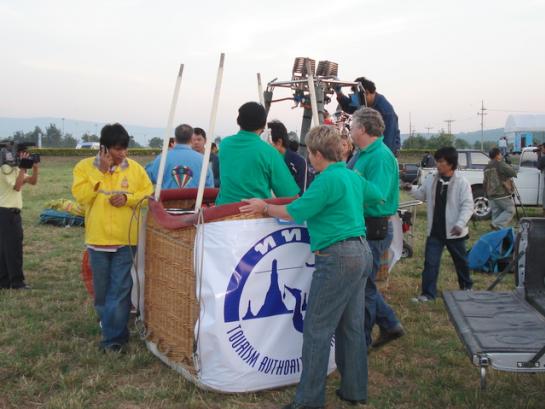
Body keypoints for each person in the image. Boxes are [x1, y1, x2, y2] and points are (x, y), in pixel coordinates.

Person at [240, 125, 383, 409]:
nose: (309, 158)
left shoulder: (325, 181)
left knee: (317, 329)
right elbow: (377, 194)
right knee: (351, 326)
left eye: (310, 153)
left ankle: (308, 401)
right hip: (361, 251)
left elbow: (293, 212)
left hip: (337, 257)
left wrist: (264, 207)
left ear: (317, 154)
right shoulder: (350, 176)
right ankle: (354, 390)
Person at [72, 123, 153, 352]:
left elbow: (148, 194)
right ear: (104, 148)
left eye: (125, 148)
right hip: (97, 240)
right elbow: (81, 197)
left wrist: (127, 199)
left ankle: (113, 339)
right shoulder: (84, 168)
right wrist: (100, 172)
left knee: (120, 289)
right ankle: (110, 323)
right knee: (102, 291)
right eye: (117, 149)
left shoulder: (135, 169)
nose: (122, 153)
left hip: (126, 239)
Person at [350, 107, 404, 349]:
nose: (350, 130)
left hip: (373, 228)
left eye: (352, 126)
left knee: (363, 287)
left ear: (362, 129)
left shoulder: (380, 157)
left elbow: (378, 194)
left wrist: (348, 184)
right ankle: (389, 323)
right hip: (362, 226)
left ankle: (361, 344)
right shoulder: (362, 154)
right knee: (365, 283)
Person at [406, 147, 474, 302]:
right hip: (435, 231)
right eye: (437, 161)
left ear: (451, 164)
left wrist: (460, 224)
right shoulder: (431, 179)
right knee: (430, 263)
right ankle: (428, 294)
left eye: (441, 161)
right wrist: (410, 189)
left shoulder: (462, 182)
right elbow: (421, 195)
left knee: (461, 262)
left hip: (455, 231)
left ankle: (467, 287)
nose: (437, 164)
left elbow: (468, 206)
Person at [215, 102, 300, 205]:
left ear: (238, 121)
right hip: (256, 212)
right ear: (263, 126)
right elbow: (289, 195)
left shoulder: (224, 144)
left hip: (223, 209)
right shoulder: (269, 152)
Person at [0, 148, 38, 290]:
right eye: (24, 154)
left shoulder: (15, 168)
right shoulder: (5, 168)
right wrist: (22, 168)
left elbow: (32, 181)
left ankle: (4, 282)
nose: (26, 156)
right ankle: (17, 283)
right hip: (7, 212)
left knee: (5, 248)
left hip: (9, 213)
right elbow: (17, 187)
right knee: (13, 248)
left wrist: (35, 168)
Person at [335, 77, 400, 155]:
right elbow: (350, 107)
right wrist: (339, 93)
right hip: (369, 149)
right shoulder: (365, 102)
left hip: (382, 152)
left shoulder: (385, 111)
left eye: (358, 98)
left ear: (366, 92)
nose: (357, 102)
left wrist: (381, 156)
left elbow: (389, 140)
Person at [146, 124, 214, 189]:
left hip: (167, 197)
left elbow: (148, 177)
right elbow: (209, 186)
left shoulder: (162, 158)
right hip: (195, 197)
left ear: (175, 139)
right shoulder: (202, 160)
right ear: (191, 139)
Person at [269, 120, 309, 194]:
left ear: (279, 142)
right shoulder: (264, 158)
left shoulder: (298, 162)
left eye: (268, 141)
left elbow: (301, 194)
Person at [483, 147, 517, 229]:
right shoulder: (500, 164)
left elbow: (485, 182)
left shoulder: (486, 167)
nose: (501, 156)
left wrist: (486, 194)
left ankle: (497, 233)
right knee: (510, 210)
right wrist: (507, 164)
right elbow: (513, 173)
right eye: (500, 154)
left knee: (496, 214)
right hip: (501, 194)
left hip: (491, 194)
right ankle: (496, 224)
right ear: (497, 155)